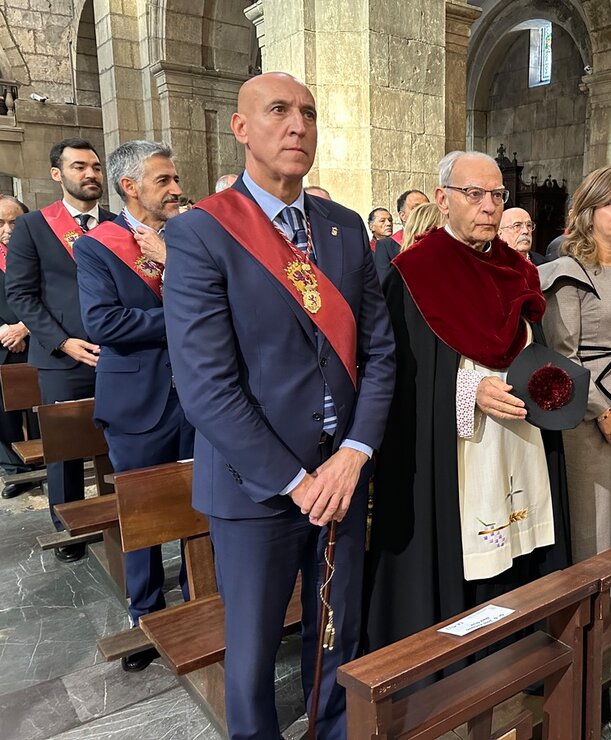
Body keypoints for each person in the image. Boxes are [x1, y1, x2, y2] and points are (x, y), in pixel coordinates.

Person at [163, 72, 395, 739]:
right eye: (278, 111)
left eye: (309, 113)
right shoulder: (202, 234)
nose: (298, 125)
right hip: (256, 489)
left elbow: (379, 355)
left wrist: (353, 455)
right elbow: (206, 386)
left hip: (343, 478)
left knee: (337, 634)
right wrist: (297, 482)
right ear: (241, 128)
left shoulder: (345, 229)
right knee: (255, 654)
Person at [365, 150, 570, 650]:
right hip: (458, 441)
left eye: (496, 195)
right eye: (473, 194)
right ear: (442, 199)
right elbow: (398, 377)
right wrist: (469, 391)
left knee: (524, 529)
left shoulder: (515, 269)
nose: (488, 207)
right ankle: (461, 651)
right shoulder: (415, 271)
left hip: (519, 430)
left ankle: (523, 641)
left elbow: (532, 341)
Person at [74, 140, 193, 673]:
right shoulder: (98, 246)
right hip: (137, 401)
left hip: (197, 395)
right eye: (164, 180)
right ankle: (144, 611)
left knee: (201, 501)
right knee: (142, 512)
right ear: (131, 187)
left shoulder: (188, 234)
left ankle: (201, 598)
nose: (176, 188)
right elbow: (104, 322)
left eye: (174, 178)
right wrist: (187, 318)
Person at [540, 166, 611, 562]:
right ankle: (580, 611)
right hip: (580, 408)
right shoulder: (568, 272)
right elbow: (563, 357)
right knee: (585, 511)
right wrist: (602, 411)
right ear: (588, 210)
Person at [5, 138, 114, 562]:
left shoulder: (114, 223)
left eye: (95, 167)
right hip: (61, 358)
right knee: (66, 448)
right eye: (79, 167)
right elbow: (22, 294)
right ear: (58, 174)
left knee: (116, 442)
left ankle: (119, 511)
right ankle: (67, 528)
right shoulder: (34, 226)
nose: (90, 174)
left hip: (114, 354)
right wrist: (63, 341)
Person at [0, 196, 39, 499]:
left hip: (38, 337)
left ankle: (45, 458)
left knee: (42, 407)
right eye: (0, 223)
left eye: (14, 221)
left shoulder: (38, 250)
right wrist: (4, 331)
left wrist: (24, 326)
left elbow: (53, 292)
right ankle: (16, 469)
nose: (8, 229)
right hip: (1, 344)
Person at [373, 188, 429, 281]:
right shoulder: (386, 246)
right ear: (402, 216)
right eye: (416, 208)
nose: (422, 212)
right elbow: (385, 284)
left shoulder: (438, 241)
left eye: (426, 208)